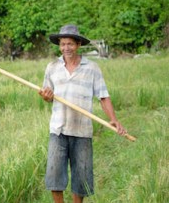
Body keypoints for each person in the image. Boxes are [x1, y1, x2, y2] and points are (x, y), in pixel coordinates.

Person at [38, 24, 127, 203]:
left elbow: (103, 96)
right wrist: (46, 97)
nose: (66, 48)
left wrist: (113, 119)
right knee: (54, 175)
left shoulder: (92, 68)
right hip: (58, 129)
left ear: (78, 44)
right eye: (63, 44)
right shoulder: (52, 67)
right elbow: (48, 95)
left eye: (70, 44)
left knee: (81, 178)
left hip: (82, 131)